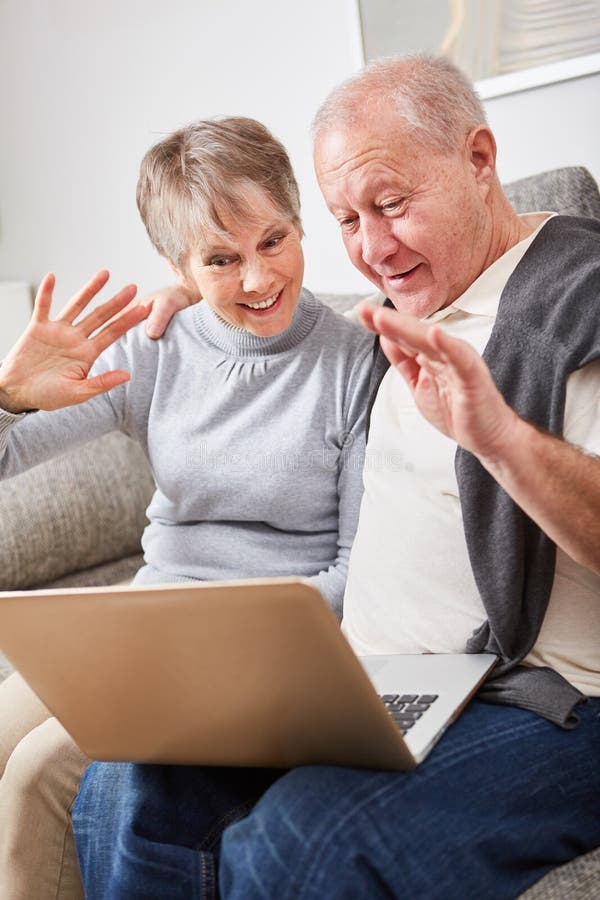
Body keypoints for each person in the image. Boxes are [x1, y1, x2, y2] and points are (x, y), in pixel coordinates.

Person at [72, 54, 600, 899]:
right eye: (347, 219)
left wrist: (501, 440)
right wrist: (190, 296)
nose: (373, 248)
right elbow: (265, 302)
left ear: (478, 160)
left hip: (547, 698)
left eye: (391, 205)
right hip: (372, 682)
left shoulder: (579, 301)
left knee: (300, 844)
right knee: (126, 785)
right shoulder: (397, 305)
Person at [0, 117, 374, 900]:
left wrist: (235, 633)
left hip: (269, 647)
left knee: (38, 772)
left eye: (274, 240)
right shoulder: (154, 345)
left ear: (299, 223)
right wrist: (9, 399)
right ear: (177, 265)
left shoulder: (354, 361)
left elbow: (359, 567)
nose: (258, 278)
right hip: (151, 621)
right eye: (221, 259)